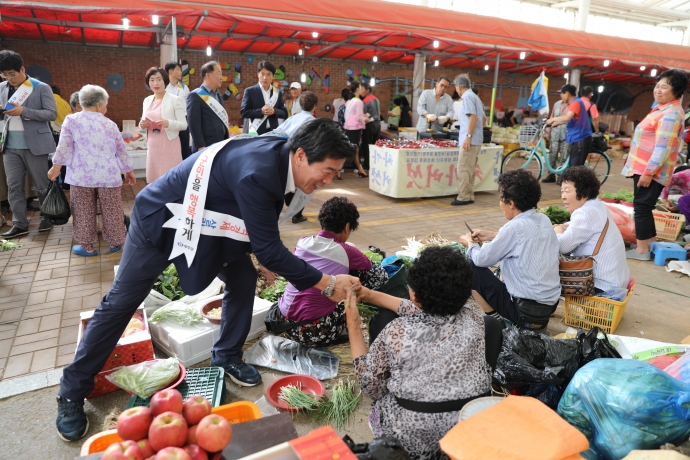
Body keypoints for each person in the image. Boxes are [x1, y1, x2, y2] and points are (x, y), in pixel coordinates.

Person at [55, 119, 360, 442]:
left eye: (335, 173)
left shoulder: (278, 155)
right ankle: (72, 391)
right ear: (300, 155)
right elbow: (270, 249)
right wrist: (326, 282)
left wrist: (260, 253)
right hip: (162, 220)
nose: (328, 180)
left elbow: (256, 231)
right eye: (327, 171)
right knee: (121, 302)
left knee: (243, 275)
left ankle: (227, 355)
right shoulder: (260, 171)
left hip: (209, 228)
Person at [345, 245, 492, 460]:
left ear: (414, 295)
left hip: (411, 441)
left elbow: (371, 389)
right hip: (467, 430)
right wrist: (369, 295)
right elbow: (427, 308)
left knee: (379, 394)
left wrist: (353, 324)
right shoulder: (475, 316)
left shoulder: (397, 332)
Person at [276, 196, 388, 347]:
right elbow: (381, 277)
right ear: (347, 227)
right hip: (314, 331)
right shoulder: (348, 251)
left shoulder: (303, 242)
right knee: (360, 275)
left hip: (284, 321)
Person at [459, 169, 561, 329]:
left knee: (471, 264)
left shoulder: (514, 227)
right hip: (548, 307)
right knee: (502, 268)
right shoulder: (543, 219)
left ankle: (497, 321)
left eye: (501, 199)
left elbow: (481, 259)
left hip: (525, 312)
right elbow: (521, 240)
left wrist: (469, 244)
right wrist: (491, 235)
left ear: (511, 203)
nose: (500, 204)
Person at [47, 85, 136, 256]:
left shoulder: (72, 120)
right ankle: (115, 243)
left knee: (83, 210)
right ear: (99, 105)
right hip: (108, 176)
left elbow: (63, 146)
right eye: (106, 105)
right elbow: (121, 150)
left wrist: (56, 167)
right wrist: (128, 170)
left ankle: (87, 246)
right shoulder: (109, 124)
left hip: (81, 177)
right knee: (112, 210)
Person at [622, 69, 688, 260]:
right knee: (644, 206)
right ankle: (648, 244)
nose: (658, 90)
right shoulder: (664, 109)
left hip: (650, 170)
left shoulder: (671, 114)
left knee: (641, 206)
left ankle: (641, 250)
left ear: (676, 91)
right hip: (644, 167)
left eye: (664, 87)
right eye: (657, 86)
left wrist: (649, 172)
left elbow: (662, 148)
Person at [0, 49, 56, 240]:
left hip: (36, 144)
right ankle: (20, 224)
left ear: (22, 69)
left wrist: (24, 111)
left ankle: (47, 217)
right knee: (13, 186)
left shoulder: (40, 87)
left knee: (41, 184)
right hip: (9, 146)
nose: (9, 78)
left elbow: (51, 114)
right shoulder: (1, 88)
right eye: (4, 75)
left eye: (12, 74)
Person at [553, 166, 630, 299]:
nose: (563, 196)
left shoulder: (585, 213)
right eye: (562, 191)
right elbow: (581, 226)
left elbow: (562, 246)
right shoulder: (597, 205)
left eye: (567, 191)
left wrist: (558, 231)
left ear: (584, 193)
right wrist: (564, 226)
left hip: (603, 288)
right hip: (616, 282)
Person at [139, 67, 188, 184]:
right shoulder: (147, 100)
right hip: (153, 145)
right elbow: (142, 121)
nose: (155, 83)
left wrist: (168, 123)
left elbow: (184, 125)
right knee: (153, 179)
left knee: (170, 179)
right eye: (152, 80)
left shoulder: (175, 100)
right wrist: (142, 124)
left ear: (165, 81)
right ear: (148, 82)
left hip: (169, 144)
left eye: (159, 79)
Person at [452, 74, 485, 206]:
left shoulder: (467, 97)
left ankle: (463, 196)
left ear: (458, 87)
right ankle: (469, 195)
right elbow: (483, 118)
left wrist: (468, 136)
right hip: (476, 139)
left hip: (470, 140)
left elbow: (473, 117)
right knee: (470, 169)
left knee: (463, 168)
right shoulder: (475, 97)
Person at [546, 84, 592, 168]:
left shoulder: (576, 103)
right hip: (576, 137)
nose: (561, 96)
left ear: (567, 94)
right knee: (572, 165)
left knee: (575, 166)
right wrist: (558, 123)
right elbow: (574, 119)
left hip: (581, 138)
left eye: (562, 94)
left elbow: (567, 117)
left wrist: (552, 119)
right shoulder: (574, 103)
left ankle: (581, 181)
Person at [187, 61, 229, 153]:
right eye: (219, 73)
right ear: (208, 75)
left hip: (221, 144)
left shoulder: (218, 95)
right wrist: (201, 146)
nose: (221, 77)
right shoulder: (195, 95)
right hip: (205, 147)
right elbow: (193, 124)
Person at [240, 61, 287, 135]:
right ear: (258, 74)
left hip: (272, 133)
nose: (265, 78)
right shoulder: (250, 91)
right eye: (262, 74)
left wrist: (274, 111)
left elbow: (284, 113)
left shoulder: (277, 93)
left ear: (273, 76)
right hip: (255, 133)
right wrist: (260, 111)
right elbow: (244, 112)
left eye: (269, 74)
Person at [542, 87, 571, 183]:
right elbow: (552, 117)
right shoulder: (557, 104)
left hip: (567, 134)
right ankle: (551, 175)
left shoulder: (573, 105)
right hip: (555, 133)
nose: (561, 95)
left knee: (564, 155)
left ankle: (562, 177)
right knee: (552, 154)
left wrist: (558, 122)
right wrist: (548, 131)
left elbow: (570, 119)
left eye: (562, 93)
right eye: (561, 93)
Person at [164, 61, 192, 160]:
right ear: (170, 72)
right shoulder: (164, 88)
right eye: (178, 70)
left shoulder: (184, 88)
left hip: (183, 121)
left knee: (184, 149)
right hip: (169, 122)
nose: (181, 72)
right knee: (171, 149)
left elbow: (189, 105)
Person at [343, 81, 368, 177]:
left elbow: (347, 115)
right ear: (357, 89)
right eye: (361, 87)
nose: (362, 89)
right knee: (352, 150)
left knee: (355, 149)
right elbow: (359, 117)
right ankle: (337, 169)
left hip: (348, 127)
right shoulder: (359, 102)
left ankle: (360, 169)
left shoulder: (349, 102)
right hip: (355, 128)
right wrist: (366, 119)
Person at [361, 82, 381, 170]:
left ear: (367, 90)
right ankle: (375, 164)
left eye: (362, 89)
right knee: (375, 145)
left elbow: (364, 115)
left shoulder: (365, 101)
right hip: (378, 124)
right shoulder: (377, 99)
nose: (360, 91)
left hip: (370, 124)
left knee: (367, 145)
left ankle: (367, 165)